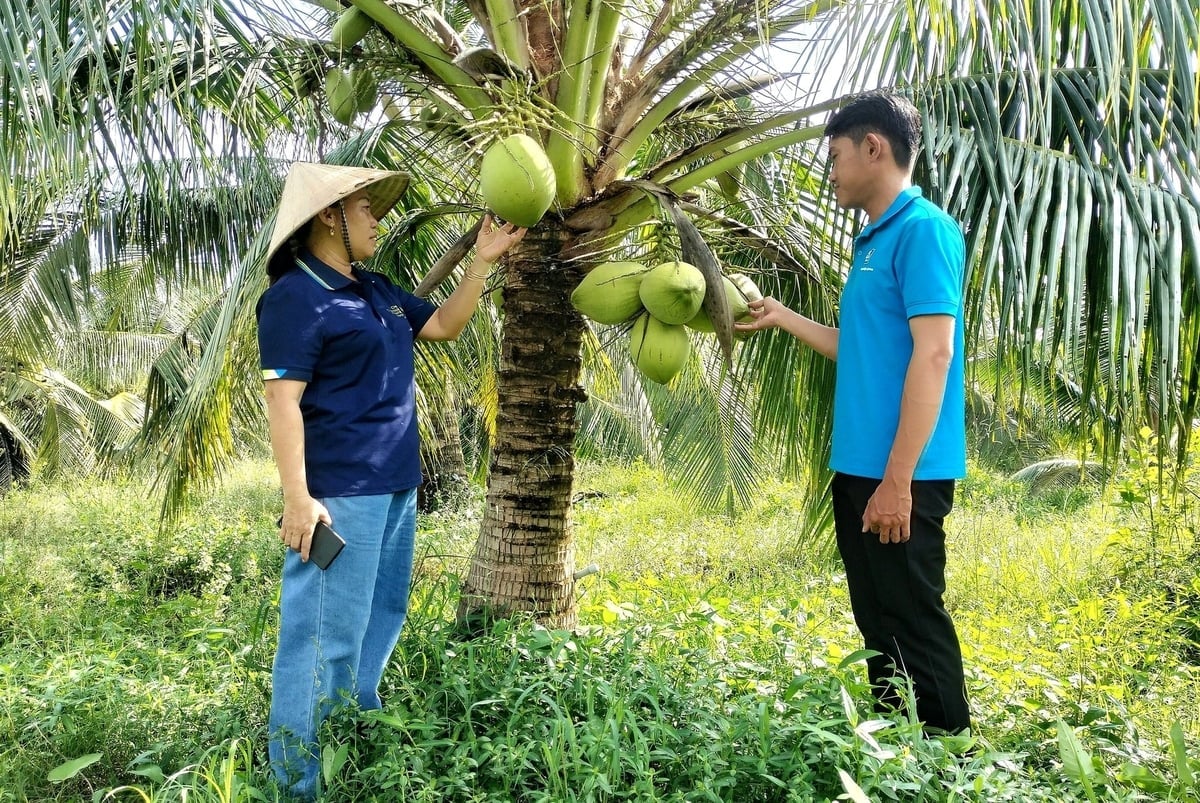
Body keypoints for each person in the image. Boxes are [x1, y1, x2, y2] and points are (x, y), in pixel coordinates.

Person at [257, 161, 526, 799]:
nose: (377, 219)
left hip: (397, 484)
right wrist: (298, 498)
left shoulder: (375, 289)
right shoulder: (295, 296)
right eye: (364, 209)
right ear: (329, 217)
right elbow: (283, 402)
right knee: (322, 632)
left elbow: (442, 325)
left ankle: (351, 737)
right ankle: (298, 781)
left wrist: (482, 261)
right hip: (341, 492)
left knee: (383, 614)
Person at [737, 91, 971, 735]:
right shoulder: (872, 241)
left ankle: (947, 758)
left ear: (875, 148)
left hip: (905, 472)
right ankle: (898, 752)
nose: (830, 170)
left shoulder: (923, 230)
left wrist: (899, 480)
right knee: (878, 621)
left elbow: (934, 356)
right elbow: (860, 346)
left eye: (835, 155)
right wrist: (782, 318)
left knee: (914, 619)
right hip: (860, 466)